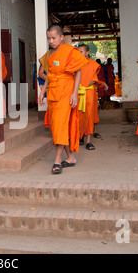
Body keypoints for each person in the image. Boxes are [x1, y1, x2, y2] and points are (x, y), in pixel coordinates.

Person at [38, 25, 88, 174]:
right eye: (49, 38)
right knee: (57, 127)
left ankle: (57, 160)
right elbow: (49, 75)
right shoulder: (49, 54)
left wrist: (74, 93)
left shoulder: (69, 51)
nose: (51, 41)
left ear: (61, 37)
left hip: (66, 92)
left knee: (60, 126)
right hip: (53, 93)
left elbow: (78, 72)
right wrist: (43, 92)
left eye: (54, 38)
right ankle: (70, 157)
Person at [77, 45, 108, 150]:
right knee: (79, 115)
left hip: (88, 91)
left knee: (89, 116)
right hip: (78, 92)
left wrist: (83, 86)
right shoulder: (74, 64)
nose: (78, 53)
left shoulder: (92, 64)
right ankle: (80, 136)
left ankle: (88, 141)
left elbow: (94, 80)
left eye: (81, 51)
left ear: (87, 53)